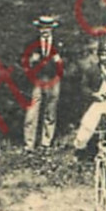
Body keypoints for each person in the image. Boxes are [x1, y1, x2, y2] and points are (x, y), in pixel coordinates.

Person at [20, 15, 67, 151]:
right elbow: (23, 62)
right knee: (32, 112)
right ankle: (29, 144)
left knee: (50, 111)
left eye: (47, 28)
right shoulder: (32, 43)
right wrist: (30, 61)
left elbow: (68, 62)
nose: (44, 30)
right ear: (38, 29)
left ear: (52, 29)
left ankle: (46, 142)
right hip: (37, 80)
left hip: (53, 80)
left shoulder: (59, 43)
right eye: (42, 28)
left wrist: (60, 61)